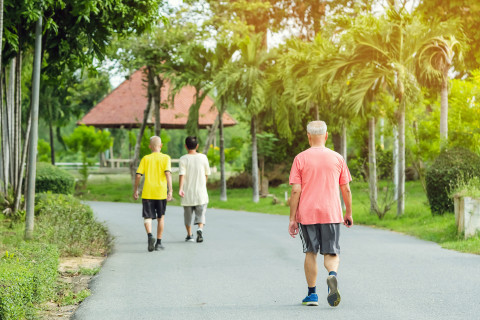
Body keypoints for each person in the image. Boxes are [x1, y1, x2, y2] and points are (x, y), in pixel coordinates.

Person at [288, 120, 353, 307]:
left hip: (307, 214)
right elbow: (346, 189)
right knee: (331, 252)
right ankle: (332, 276)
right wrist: (348, 212)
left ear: (308, 137)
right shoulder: (337, 158)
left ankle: (312, 295)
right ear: (326, 136)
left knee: (310, 252)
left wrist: (292, 219)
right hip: (331, 213)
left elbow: (295, 191)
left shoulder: (300, 158)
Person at [133, 136, 173, 252]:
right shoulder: (166, 158)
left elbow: (138, 175)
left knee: (147, 217)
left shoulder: (145, 158)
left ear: (150, 146)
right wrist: (170, 190)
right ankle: (159, 243)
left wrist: (136, 190)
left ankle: (150, 236)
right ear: (161, 146)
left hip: (148, 193)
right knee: (161, 218)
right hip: (160, 193)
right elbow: (168, 174)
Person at [178, 136, 211, 243]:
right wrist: (203, 185)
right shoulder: (203, 157)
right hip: (200, 193)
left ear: (185, 146)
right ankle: (200, 229)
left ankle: (189, 235)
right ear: (197, 146)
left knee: (187, 216)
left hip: (187, 194)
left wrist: (180, 189)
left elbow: (181, 175)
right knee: (200, 214)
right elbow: (207, 174)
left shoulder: (183, 159)